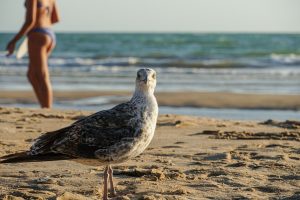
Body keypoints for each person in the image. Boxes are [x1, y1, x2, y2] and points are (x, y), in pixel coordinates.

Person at [6, 0, 60, 108]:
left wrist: (14, 41)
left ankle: (47, 108)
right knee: (31, 74)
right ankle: (44, 106)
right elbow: (55, 19)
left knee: (42, 75)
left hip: (37, 35)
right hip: (49, 34)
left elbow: (30, 21)